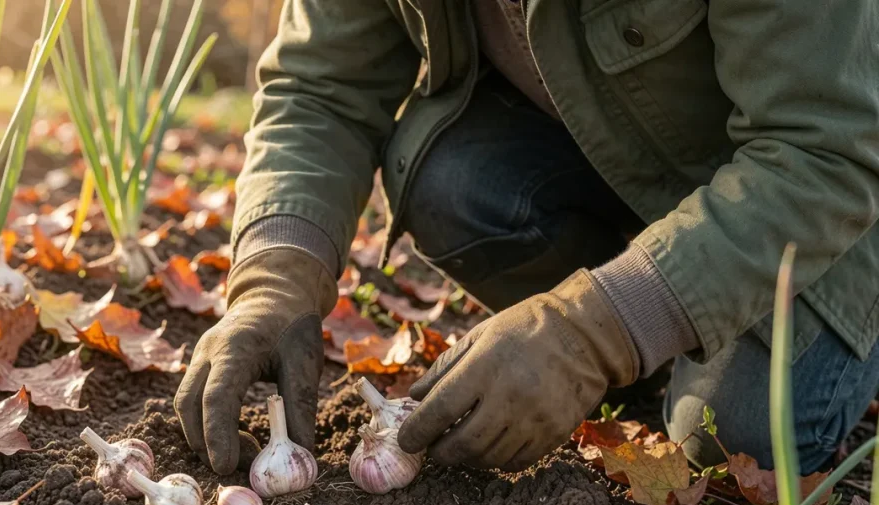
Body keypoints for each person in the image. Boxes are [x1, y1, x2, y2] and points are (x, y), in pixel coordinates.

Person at [174, 0, 879, 478]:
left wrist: (591, 332)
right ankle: (663, 318)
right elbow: (319, 87)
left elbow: (825, 151)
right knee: (453, 179)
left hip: (832, 188)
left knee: (725, 438)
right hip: (640, 157)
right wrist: (274, 280)